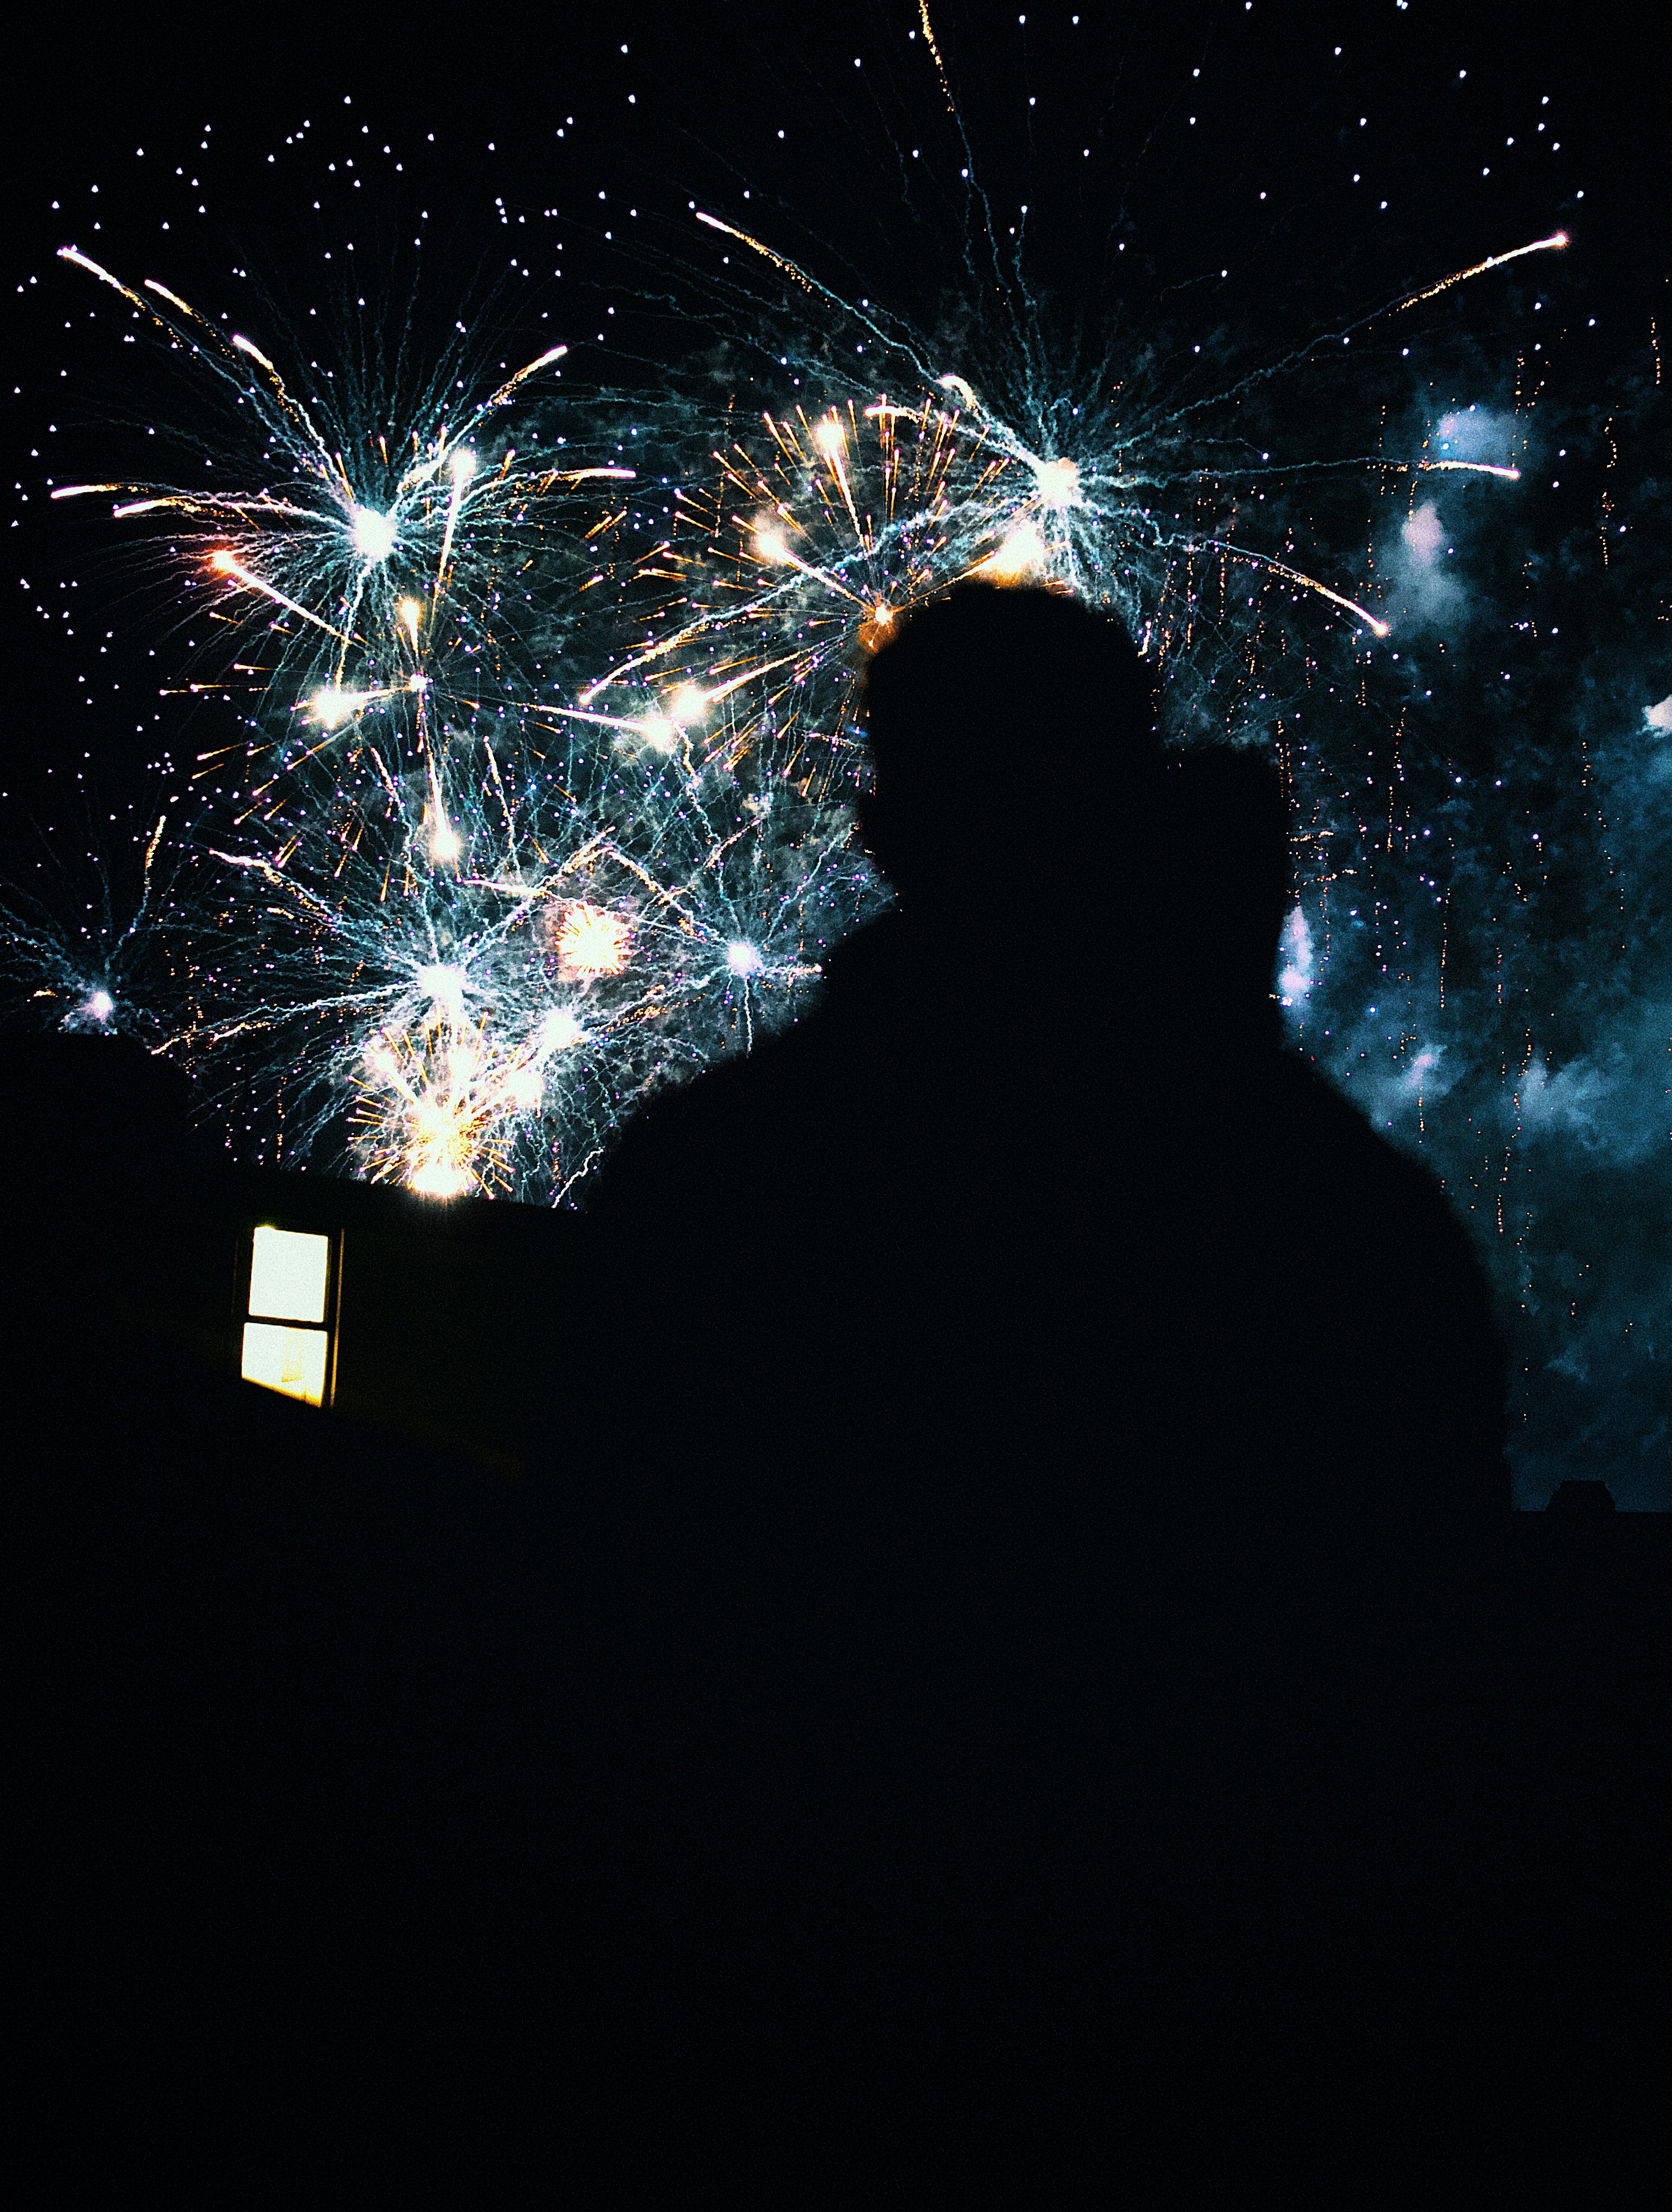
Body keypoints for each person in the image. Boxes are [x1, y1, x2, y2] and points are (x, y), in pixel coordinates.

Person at [562, 584, 1506, 1989]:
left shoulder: (712, 1177)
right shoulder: (1325, 1206)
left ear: (885, 830)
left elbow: (607, 1657)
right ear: (1136, 803)